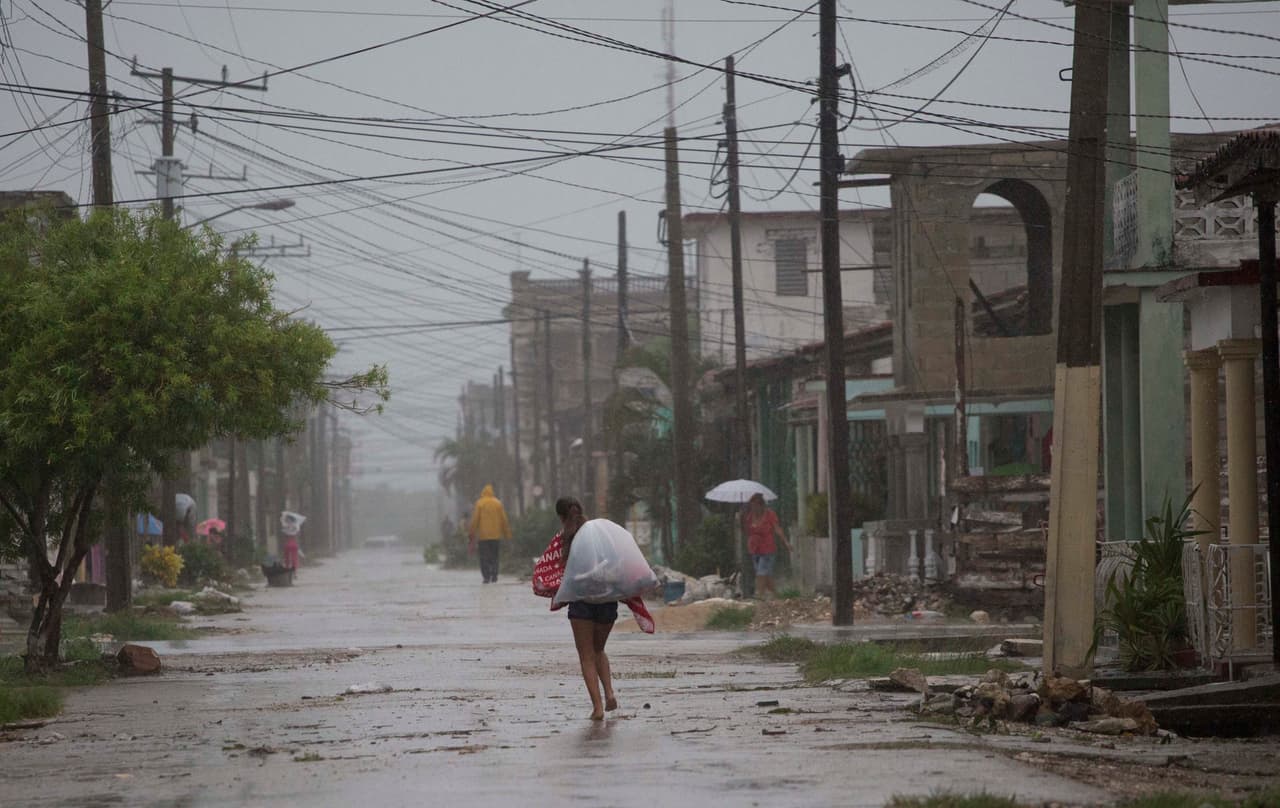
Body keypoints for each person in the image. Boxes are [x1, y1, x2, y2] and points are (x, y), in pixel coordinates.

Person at [555, 497, 619, 721]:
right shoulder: (601, 533)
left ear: (561, 517)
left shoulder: (567, 539)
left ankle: (598, 707)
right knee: (599, 650)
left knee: (586, 656)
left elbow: (562, 575)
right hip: (607, 601)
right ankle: (610, 692)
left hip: (582, 603)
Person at [743, 492, 791, 599]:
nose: (754, 508)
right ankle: (777, 596)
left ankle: (759, 596)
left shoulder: (770, 515)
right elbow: (748, 531)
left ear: (761, 505)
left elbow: (777, 529)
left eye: (755, 505)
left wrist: (786, 542)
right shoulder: (749, 517)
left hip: (767, 549)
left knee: (761, 573)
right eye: (752, 506)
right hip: (754, 549)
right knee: (766, 576)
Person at [468, 484, 512, 583]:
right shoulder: (498, 504)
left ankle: (486, 576)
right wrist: (507, 534)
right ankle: (494, 575)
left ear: (483, 493)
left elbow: (475, 520)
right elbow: (504, 520)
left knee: (484, 557)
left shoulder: (480, 503)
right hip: (496, 536)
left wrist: (471, 533)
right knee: (495, 556)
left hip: (483, 537)